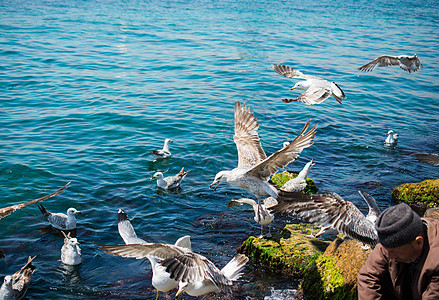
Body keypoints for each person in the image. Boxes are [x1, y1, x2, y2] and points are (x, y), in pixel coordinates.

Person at [357, 203, 439, 299]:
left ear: (418, 242)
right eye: (387, 250)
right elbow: (367, 277)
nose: (390, 256)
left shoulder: (436, 260)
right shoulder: (392, 242)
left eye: (393, 251)